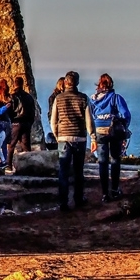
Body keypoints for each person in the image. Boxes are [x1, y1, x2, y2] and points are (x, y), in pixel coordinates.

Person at [49, 71, 94, 211]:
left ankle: (63, 202)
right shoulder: (83, 98)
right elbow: (89, 120)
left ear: (65, 83)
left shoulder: (59, 98)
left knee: (63, 171)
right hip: (79, 138)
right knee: (78, 170)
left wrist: (57, 135)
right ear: (77, 83)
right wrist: (93, 136)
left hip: (63, 138)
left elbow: (53, 120)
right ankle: (78, 198)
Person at [89, 74, 132, 202]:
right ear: (111, 84)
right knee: (115, 160)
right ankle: (114, 189)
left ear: (99, 85)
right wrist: (124, 127)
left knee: (102, 163)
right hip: (113, 132)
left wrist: (92, 135)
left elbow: (90, 116)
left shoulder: (91, 99)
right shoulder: (115, 98)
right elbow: (126, 115)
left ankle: (104, 194)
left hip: (98, 132)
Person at [8, 76, 36, 168]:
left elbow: (10, 111)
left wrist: (11, 122)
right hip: (26, 123)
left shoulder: (13, 97)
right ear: (22, 84)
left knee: (11, 145)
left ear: (14, 84)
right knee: (26, 147)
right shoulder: (29, 97)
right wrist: (30, 123)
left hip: (16, 123)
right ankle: (28, 166)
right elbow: (33, 111)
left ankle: (9, 166)